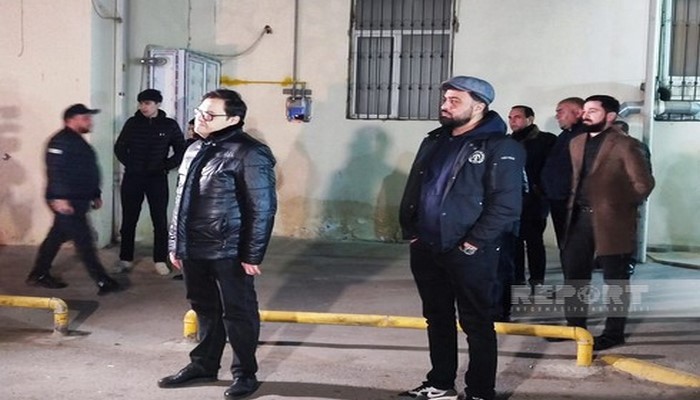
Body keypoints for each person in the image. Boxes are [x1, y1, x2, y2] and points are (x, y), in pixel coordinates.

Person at [399, 76, 525, 400]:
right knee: (437, 318)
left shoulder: (501, 146)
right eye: (445, 99)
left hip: (471, 251)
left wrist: (472, 242)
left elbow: (507, 205)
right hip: (427, 246)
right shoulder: (434, 140)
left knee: (477, 322)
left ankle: (480, 390)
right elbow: (417, 188)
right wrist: (413, 232)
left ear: (479, 106)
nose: (445, 105)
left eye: (454, 101)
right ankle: (440, 383)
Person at [158, 89, 277, 400]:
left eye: (210, 115)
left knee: (238, 312)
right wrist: (176, 244)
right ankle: (204, 365)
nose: (201, 118)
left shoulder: (251, 153)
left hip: (230, 249)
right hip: (194, 248)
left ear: (233, 119)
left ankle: (244, 374)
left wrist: (252, 254)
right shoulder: (194, 149)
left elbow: (262, 207)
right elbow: (181, 203)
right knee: (203, 308)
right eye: (200, 112)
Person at [562, 95, 654, 351]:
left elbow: (643, 184)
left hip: (613, 220)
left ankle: (614, 333)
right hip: (579, 217)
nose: (585, 115)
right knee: (575, 275)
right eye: (585, 110)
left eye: (593, 110)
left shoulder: (626, 145)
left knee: (615, 279)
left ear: (610, 116)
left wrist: (617, 206)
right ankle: (575, 328)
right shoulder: (577, 142)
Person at [26, 104, 122, 295]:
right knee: (84, 241)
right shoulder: (60, 141)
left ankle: (38, 274)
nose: (90, 121)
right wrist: (59, 198)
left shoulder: (75, 141)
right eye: (85, 118)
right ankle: (102, 281)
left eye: (89, 118)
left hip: (76, 199)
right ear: (70, 120)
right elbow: (56, 171)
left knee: (56, 237)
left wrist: (95, 194)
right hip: (67, 200)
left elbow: (86, 171)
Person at [114, 89, 186, 275]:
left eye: (147, 103)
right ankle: (125, 258)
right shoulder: (132, 123)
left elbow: (181, 150)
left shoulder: (169, 125)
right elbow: (120, 147)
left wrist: (166, 165)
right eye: (141, 103)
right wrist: (131, 164)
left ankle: (160, 259)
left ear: (157, 104)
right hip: (133, 177)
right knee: (129, 219)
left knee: (159, 220)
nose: (143, 107)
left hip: (157, 178)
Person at [507, 105, 557, 293]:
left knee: (534, 241)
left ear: (530, 119)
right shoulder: (507, 142)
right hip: (512, 199)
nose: (513, 121)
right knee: (514, 241)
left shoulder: (546, 140)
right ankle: (517, 277)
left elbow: (551, 168)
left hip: (535, 200)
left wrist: (540, 190)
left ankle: (537, 280)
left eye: (517, 117)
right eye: (510, 117)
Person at [540, 97, 585, 250]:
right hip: (557, 198)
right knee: (565, 244)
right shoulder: (565, 135)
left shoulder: (584, 136)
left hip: (572, 201)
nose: (557, 116)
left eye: (560, 111)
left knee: (575, 247)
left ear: (577, 112)